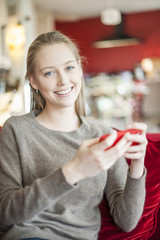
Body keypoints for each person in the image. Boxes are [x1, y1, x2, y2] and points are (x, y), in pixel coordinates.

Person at [0, 31, 148, 240]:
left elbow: (127, 221)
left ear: (79, 68)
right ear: (33, 81)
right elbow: (5, 213)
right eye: (49, 73)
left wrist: (137, 163)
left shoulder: (103, 134)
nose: (63, 80)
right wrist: (73, 171)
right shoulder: (16, 129)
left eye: (69, 68)